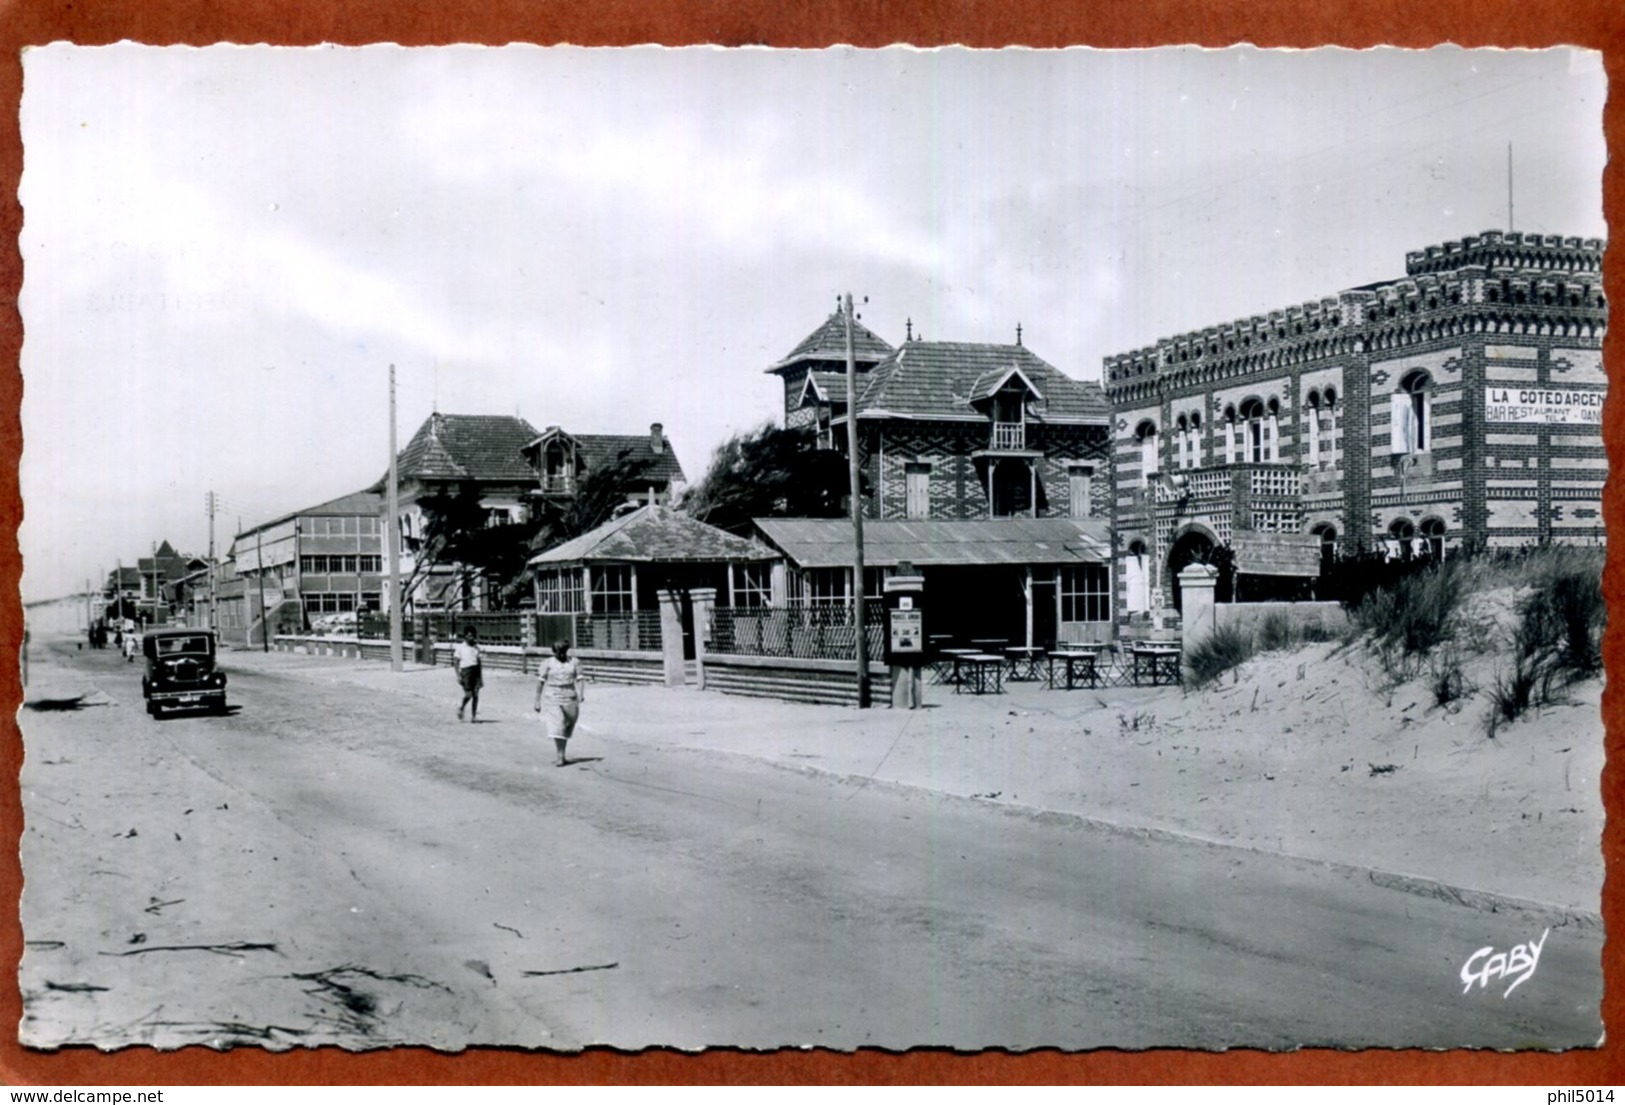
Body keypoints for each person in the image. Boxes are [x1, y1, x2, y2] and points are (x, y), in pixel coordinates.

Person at [534, 638, 585, 766]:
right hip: (553, 696)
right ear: (554, 652)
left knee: (568, 725)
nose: (561, 655)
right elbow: (540, 682)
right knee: (557, 725)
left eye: (563, 652)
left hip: (570, 696)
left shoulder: (575, 662)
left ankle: (562, 753)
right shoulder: (547, 663)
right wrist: (537, 701)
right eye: (558, 652)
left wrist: (581, 694)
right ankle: (560, 756)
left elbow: (580, 679)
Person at [453, 627, 483, 722]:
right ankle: (461, 708)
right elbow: (456, 662)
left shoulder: (476, 648)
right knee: (468, 694)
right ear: (465, 636)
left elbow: (479, 663)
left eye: (472, 636)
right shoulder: (460, 647)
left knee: (476, 695)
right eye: (469, 635)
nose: (471, 637)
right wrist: (458, 675)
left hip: (475, 671)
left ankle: (474, 716)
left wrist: (480, 677)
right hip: (465, 672)